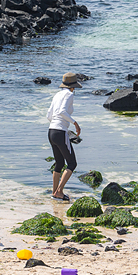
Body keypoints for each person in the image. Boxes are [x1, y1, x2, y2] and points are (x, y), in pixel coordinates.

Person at [46, 72, 82, 201]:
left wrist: (56, 124)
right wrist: (75, 123)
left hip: (51, 131)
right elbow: (62, 111)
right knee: (72, 163)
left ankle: (54, 192)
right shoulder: (69, 94)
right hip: (60, 132)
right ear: (73, 86)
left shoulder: (57, 94)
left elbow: (49, 115)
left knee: (59, 163)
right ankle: (59, 191)